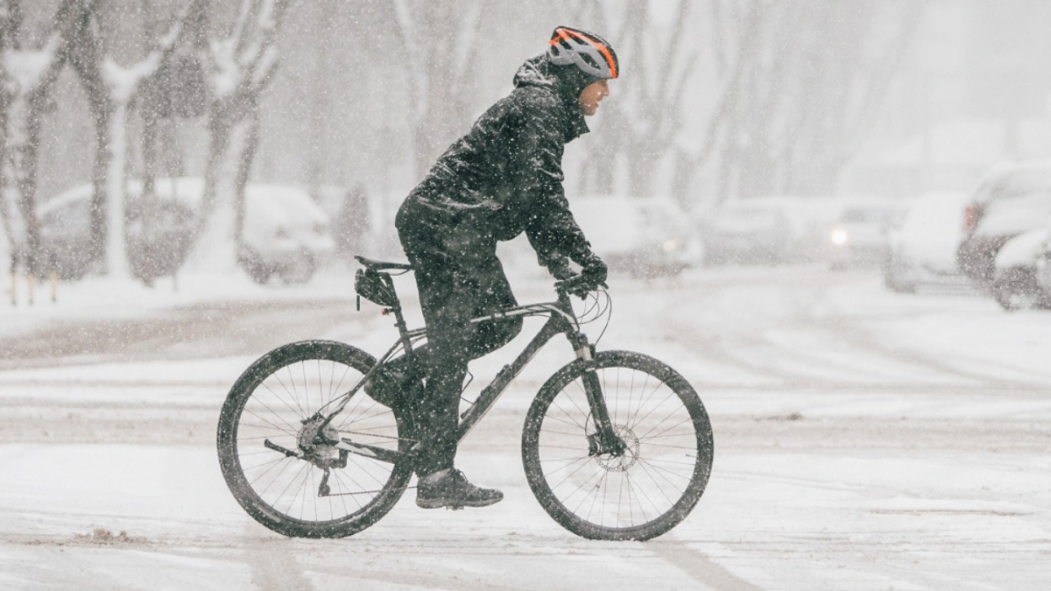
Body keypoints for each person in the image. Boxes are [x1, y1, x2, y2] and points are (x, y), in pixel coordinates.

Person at [369, 26, 619, 509]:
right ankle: (436, 474)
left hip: (458, 226)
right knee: (455, 343)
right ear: (577, 77)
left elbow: (531, 197)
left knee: (498, 326)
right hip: (445, 225)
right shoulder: (539, 110)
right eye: (601, 81)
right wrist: (580, 256)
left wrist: (557, 258)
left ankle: (400, 379)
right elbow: (543, 193)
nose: (606, 93)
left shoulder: (543, 109)